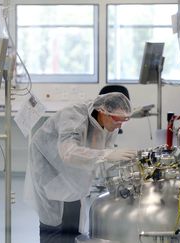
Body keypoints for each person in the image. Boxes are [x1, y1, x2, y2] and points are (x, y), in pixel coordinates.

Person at [23, 92, 136, 243]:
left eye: (124, 121)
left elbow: (105, 150)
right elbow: (68, 152)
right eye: (117, 121)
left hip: (72, 167)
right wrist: (106, 154)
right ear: (103, 112)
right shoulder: (74, 116)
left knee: (73, 206)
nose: (119, 126)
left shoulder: (110, 125)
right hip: (49, 164)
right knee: (53, 219)